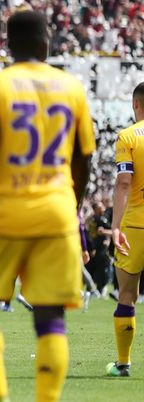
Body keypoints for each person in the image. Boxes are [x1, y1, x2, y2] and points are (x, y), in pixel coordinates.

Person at [0, 11, 95, 402]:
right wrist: (74, 207)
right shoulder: (71, 87)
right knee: (50, 315)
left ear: (9, 43)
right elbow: (85, 161)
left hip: (5, 213)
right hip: (56, 212)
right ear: (43, 42)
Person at [108, 81, 144, 377]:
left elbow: (123, 183)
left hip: (136, 224)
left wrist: (115, 226)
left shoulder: (128, 136)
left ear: (135, 104)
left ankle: (123, 363)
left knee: (127, 295)